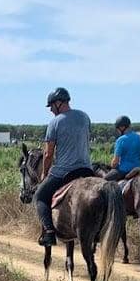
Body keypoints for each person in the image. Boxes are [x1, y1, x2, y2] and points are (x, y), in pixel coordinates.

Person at [34, 87, 95, 246]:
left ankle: (49, 233)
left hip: (64, 171)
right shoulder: (84, 117)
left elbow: (48, 154)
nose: (51, 110)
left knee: (40, 196)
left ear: (59, 103)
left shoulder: (55, 122)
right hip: (87, 169)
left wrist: (44, 174)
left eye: (51, 106)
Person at [104, 116, 140, 181]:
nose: (118, 131)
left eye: (118, 129)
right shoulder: (139, 137)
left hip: (124, 171)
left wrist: (112, 165)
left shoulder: (121, 140)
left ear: (122, 127)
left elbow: (115, 162)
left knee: (104, 180)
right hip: (138, 169)